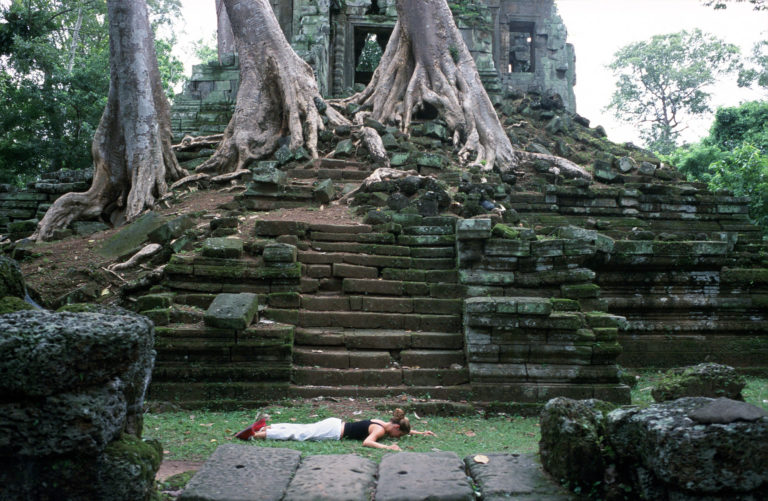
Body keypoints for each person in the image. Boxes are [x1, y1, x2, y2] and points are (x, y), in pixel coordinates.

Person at [234, 408, 435, 451]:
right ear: (396, 427)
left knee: (302, 428)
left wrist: (420, 433)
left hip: (333, 423)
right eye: (399, 435)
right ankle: (256, 434)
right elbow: (368, 442)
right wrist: (388, 448)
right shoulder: (380, 431)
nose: (397, 438)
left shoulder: (383, 422)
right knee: (301, 434)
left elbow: (403, 431)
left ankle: (268, 426)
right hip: (332, 432)